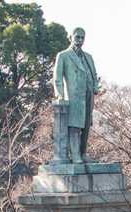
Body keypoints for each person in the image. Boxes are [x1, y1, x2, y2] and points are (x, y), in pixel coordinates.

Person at [53, 27, 99, 163]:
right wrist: (60, 95)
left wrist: (95, 86)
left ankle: (83, 153)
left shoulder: (88, 57)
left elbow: (94, 75)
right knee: (74, 125)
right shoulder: (63, 55)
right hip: (73, 96)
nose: (80, 40)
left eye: (82, 38)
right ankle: (75, 155)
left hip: (88, 95)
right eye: (77, 37)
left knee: (86, 126)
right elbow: (57, 78)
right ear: (71, 37)